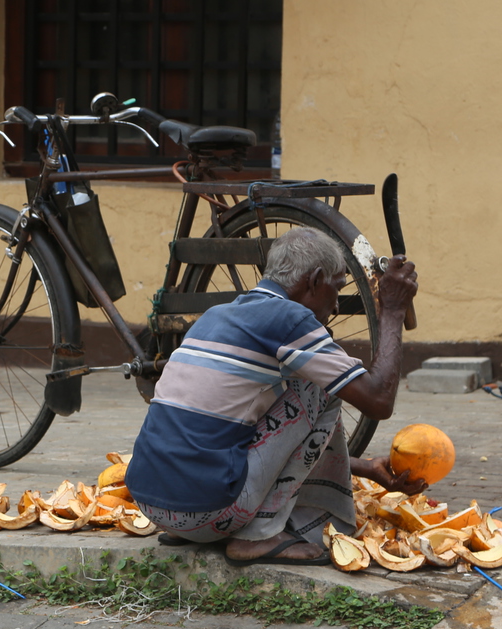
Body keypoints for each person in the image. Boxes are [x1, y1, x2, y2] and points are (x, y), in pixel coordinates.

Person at [125, 226, 421, 566]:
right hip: (207, 514)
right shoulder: (289, 319)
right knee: (320, 387)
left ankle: (210, 524)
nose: (336, 304)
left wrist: (363, 468)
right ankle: (259, 536)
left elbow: (240, 434)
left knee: (295, 386)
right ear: (314, 281)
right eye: (336, 289)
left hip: (153, 508)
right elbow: (378, 400)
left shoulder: (216, 315)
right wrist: (393, 310)